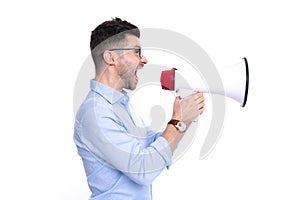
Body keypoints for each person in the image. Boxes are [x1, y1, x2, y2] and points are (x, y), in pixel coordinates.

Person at [73, 17, 205, 200]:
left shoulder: (119, 106)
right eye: (137, 52)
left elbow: (151, 147)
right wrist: (178, 121)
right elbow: (144, 169)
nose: (144, 60)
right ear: (111, 57)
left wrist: (185, 119)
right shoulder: (96, 113)